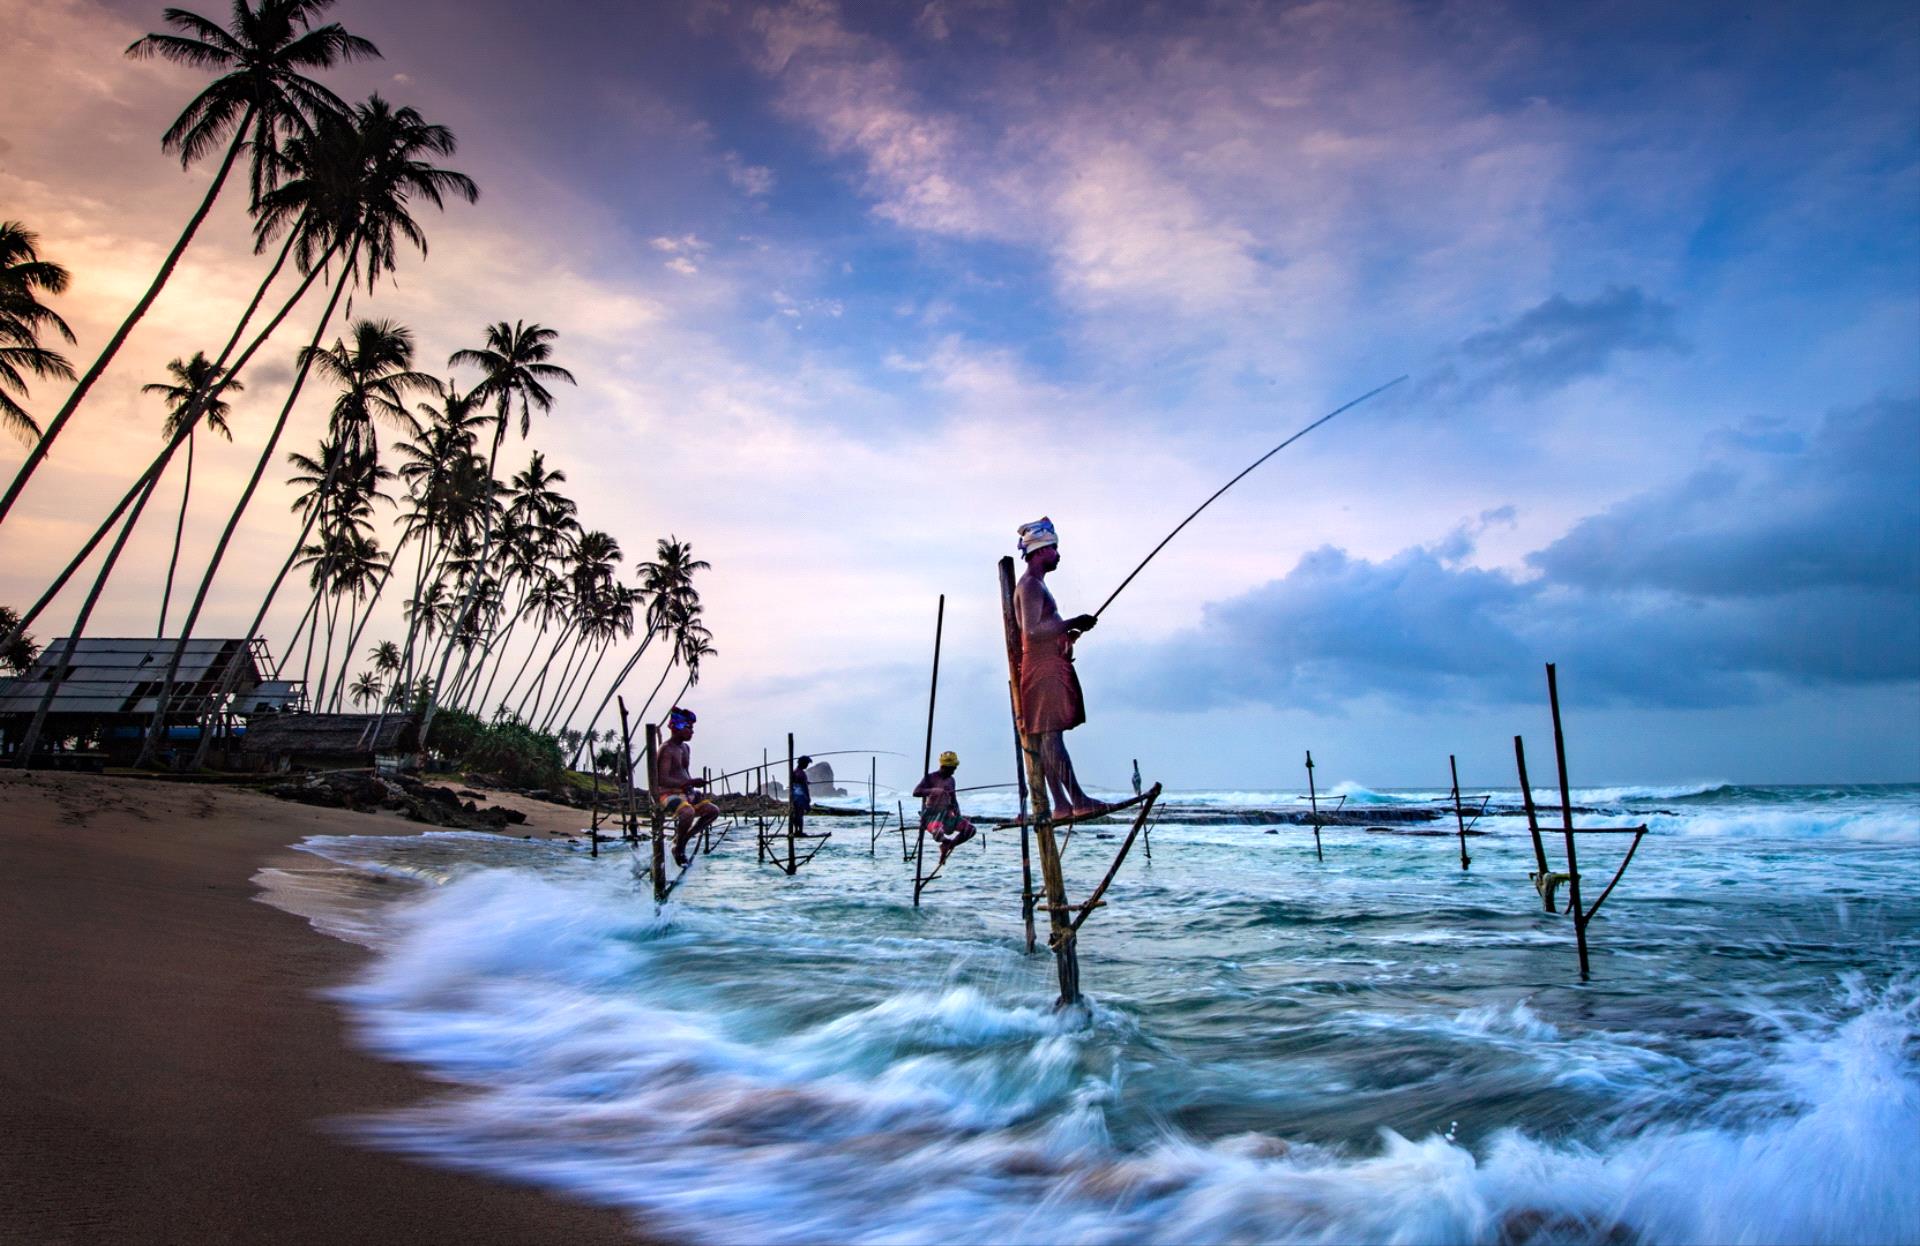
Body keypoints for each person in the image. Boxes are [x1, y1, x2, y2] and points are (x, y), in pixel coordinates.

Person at [1014, 517, 1108, 818]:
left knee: (1045, 736)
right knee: (1051, 735)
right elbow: (1030, 632)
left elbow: (1045, 628)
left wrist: (1068, 633)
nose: (1058, 554)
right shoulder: (1030, 585)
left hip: (1044, 664)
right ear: (1040, 551)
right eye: (1054, 548)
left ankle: (1063, 804)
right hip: (1042, 668)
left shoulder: (1036, 586)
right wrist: (1072, 622)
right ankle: (1076, 799)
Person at [656, 706, 719, 867]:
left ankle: (682, 841)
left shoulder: (685, 748)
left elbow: (684, 773)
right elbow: (662, 779)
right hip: (666, 794)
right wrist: (689, 783)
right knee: (687, 812)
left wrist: (692, 787)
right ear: (676, 728)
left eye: (692, 728)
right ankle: (679, 847)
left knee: (713, 811)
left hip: (685, 793)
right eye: (688, 727)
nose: (691, 731)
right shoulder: (667, 749)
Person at [913, 750, 977, 864]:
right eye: (952, 768)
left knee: (970, 830)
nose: (954, 771)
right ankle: (945, 841)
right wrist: (933, 791)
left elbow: (954, 799)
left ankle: (949, 845)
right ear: (944, 767)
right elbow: (916, 792)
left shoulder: (951, 780)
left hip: (947, 815)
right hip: (932, 816)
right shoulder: (931, 778)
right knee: (938, 832)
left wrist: (958, 814)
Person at [789, 754, 813, 833]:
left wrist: (805, 782)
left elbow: (796, 783)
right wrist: (808, 798)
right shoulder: (802, 774)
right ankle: (800, 831)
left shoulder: (794, 772)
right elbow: (804, 787)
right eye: (806, 764)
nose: (807, 766)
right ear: (802, 763)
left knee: (796, 813)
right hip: (800, 796)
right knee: (800, 814)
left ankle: (796, 830)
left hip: (794, 795)